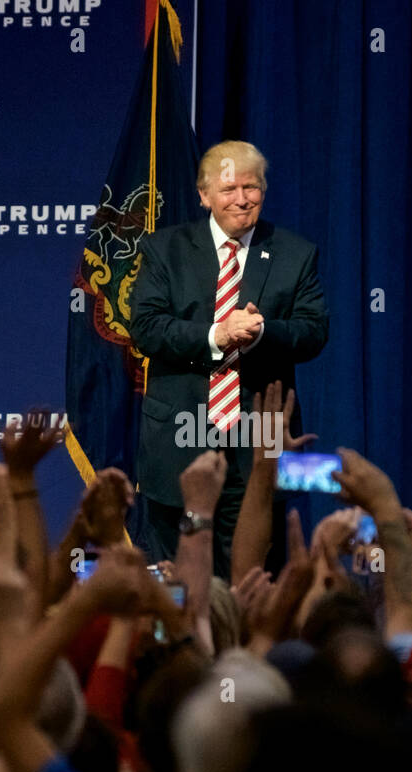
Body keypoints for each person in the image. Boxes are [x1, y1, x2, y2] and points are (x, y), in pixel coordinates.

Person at [129, 140, 329, 578]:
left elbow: (314, 332)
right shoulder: (165, 250)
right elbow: (145, 328)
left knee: (254, 578)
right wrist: (215, 335)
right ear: (203, 195)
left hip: (259, 440)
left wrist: (261, 333)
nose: (241, 198)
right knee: (180, 578)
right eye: (229, 188)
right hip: (178, 441)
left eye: (251, 187)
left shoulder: (296, 254)